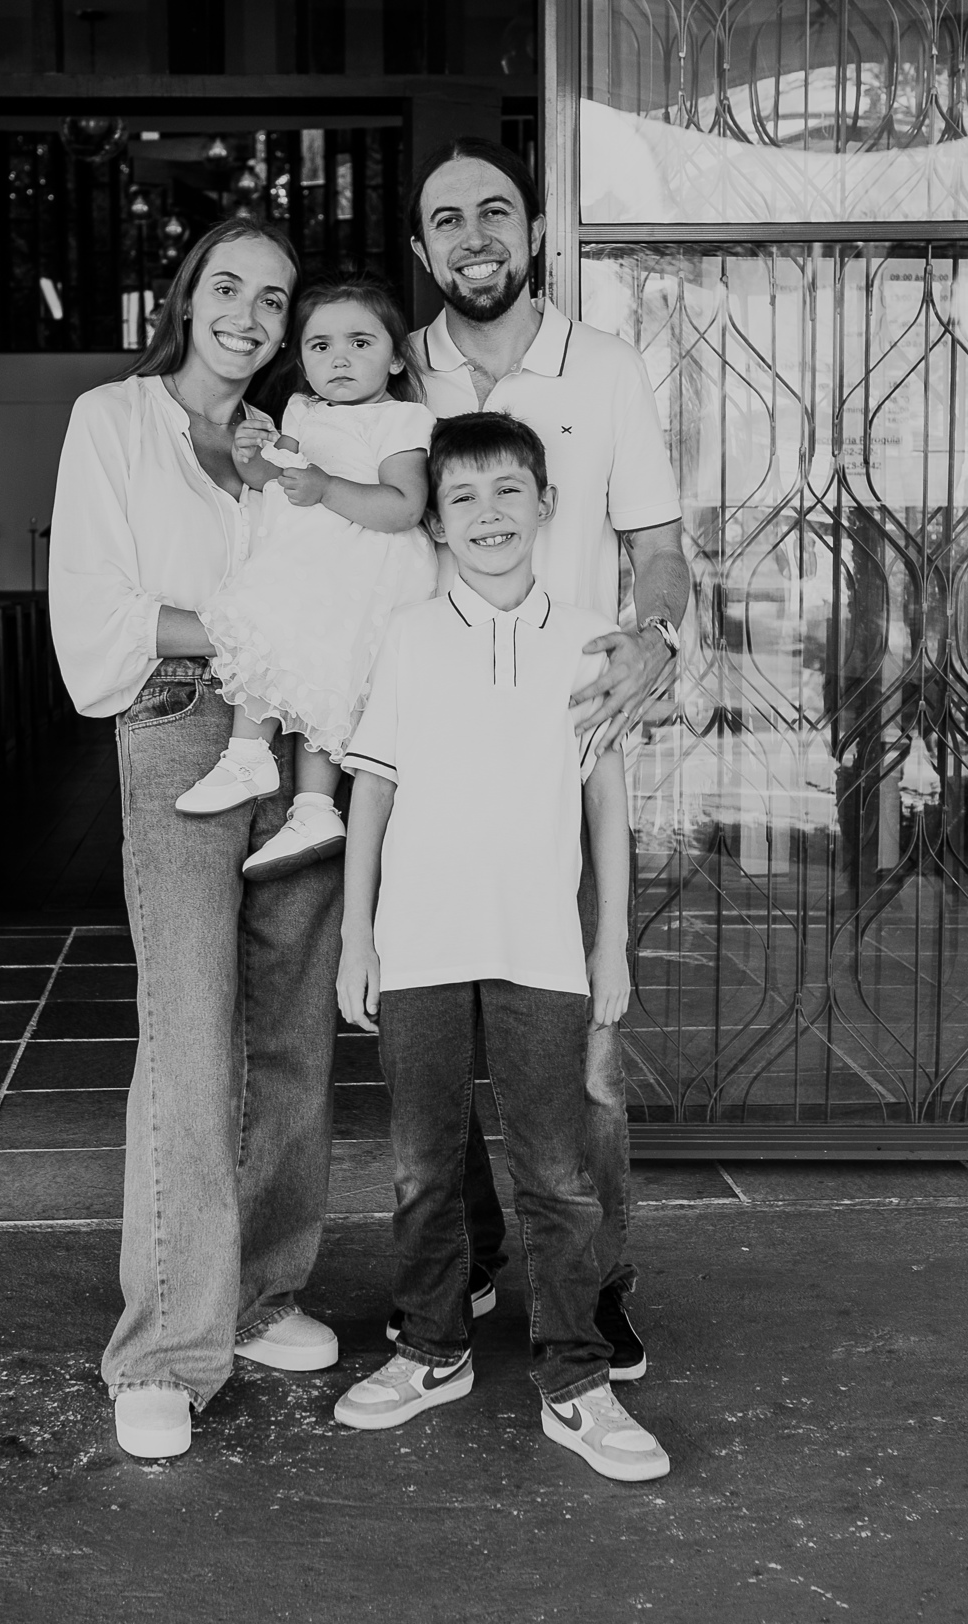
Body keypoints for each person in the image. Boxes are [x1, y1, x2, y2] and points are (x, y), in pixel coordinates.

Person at [48, 220, 342, 1462]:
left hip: (301, 729)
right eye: (229, 286)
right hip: (180, 729)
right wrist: (252, 627)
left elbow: (345, 576)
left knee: (293, 1030)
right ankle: (166, 1348)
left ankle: (263, 1292)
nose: (249, 315)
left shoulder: (287, 443)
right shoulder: (114, 422)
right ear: (187, 295)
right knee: (188, 1030)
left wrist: (297, 644)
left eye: (274, 299)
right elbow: (94, 615)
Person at [333, 413, 670, 1482]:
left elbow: (607, 804)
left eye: (508, 491)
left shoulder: (591, 639)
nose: (488, 514)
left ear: (547, 506)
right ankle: (432, 1350)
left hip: (542, 949)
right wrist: (356, 938)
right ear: (435, 521)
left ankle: (575, 1380)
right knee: (421, 1166)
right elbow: (372, 789)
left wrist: (609, 944)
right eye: (463, 497)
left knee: (559, 1176)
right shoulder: (409, 635)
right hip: (420, 944)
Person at [403, 137, 691, 1378]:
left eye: (495, 212)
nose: (473, 236)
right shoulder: (390, 370)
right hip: (424, 757)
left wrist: (654, 637)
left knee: (583, 1045)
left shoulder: (606, 366)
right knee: (437, 1041)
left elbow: (660, 547)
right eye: (447, 219)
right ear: (423, 249)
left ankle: (598, 1278)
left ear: (532, 234)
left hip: (563, 757)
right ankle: (472, 1251)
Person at [176, 280, 438, 881]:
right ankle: (278, 780)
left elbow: (404, 505)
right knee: (289, 656)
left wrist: (326, 487)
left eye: (359, 343)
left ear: (396, 359)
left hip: (364, 569)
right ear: (301, 358)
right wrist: (249, 457)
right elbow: (274, 479)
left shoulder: (399, 418)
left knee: (327, 676)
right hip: (305, 561)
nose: (339, 358)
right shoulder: (301, 410)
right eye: (320, 346)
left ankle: (296, 792)